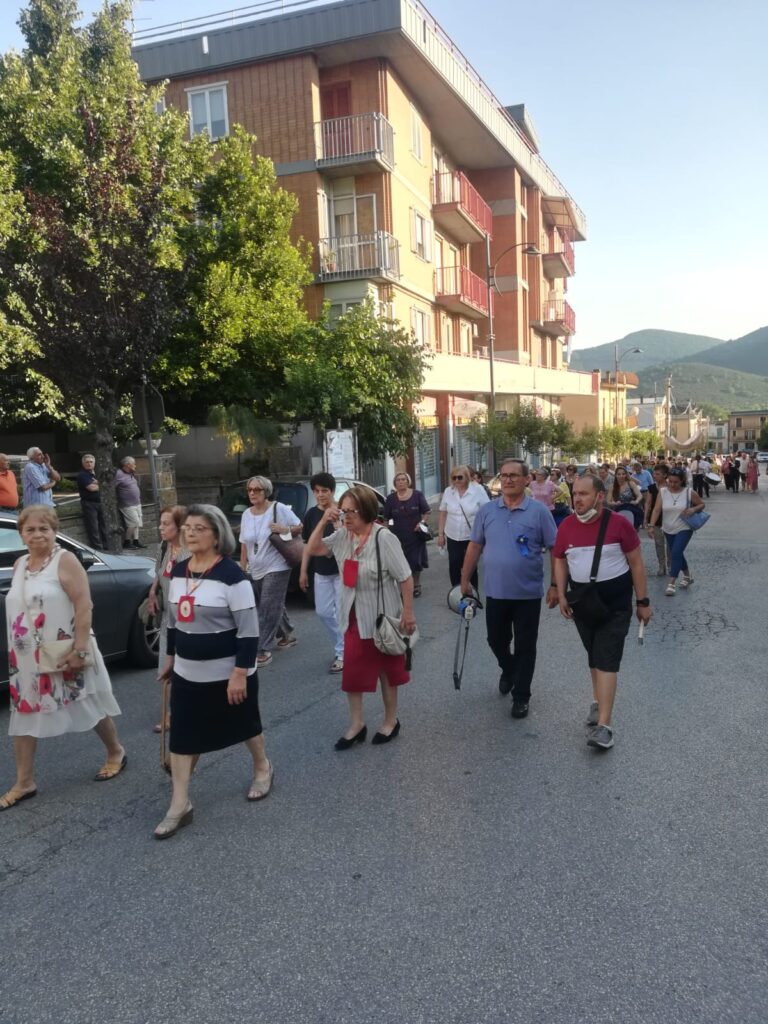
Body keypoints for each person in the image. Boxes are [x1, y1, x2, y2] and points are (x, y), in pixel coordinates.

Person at [155, 504, 272, 839]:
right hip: (188, 673)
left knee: (246, 726)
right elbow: (174, 622)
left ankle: (263, 767)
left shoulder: (234, 576)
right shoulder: (178, 571)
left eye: (199, 528)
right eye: (187, 527)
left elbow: (249, 631)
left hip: (227, 673)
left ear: (218, 535)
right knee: (183, 736)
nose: (190, 533)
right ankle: (180, 804)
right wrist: (171, 658)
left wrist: (239, 673)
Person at [1, 505, 126, 811]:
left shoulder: (65, 560)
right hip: (26, 658)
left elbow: (84, 605)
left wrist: (80, 650)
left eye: (44, 528)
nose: (37, 534)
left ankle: (115, 752)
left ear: (54, 530)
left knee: (87, 702)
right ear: (21, 534)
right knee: (24, 713)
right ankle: (25, 781)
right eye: (30, 529)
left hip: (65, 649)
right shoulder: (19, 565)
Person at [305, 485, 415, 749]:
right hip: (353, 617)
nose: (345, 517)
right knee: (353, 675)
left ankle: (391, 721)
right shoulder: (343, 535)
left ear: (365, 510)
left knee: (388, 673)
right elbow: (312, 548)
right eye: (342, 511)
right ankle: (357, 724)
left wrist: (408, 613)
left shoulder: (383, 538)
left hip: (383, 619)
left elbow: (405, 577)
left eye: (350, 512)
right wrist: (323, 521)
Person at [552, 476, 652, 751]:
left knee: (606, 659)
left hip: (615, 605)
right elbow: (559, 559)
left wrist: (642, 601)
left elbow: (636, 564)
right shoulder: (567, 526)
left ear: (599, 496)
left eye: (584, 494)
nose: (578, 499)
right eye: (575, 494)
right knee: (594, 655)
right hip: (583, 603)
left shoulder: (619, 523)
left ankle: (605, 726)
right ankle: (598, 702)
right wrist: (561, 593)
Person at [460, 459, 557, 719]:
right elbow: (474, 546)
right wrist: (464, 578)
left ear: (527, 480)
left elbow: (556, 550)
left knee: (526, 645)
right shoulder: (487, 511)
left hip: (528, 594)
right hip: (496, 591)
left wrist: (556, 585)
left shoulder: (539, 513)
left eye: (514, 475)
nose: (508, 480)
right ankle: (509, 668)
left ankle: (521, 696)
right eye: (504, 475)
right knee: (495, 639)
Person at [238, 476, 302, 667]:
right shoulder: (246, 515)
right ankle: (288, 633)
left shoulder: (278, 508)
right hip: (256, 567)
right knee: (272, 603)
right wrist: (242, 568)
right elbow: (244, 544)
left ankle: (262, 648)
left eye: (257, 490)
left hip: (278, 565)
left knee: (266, 606)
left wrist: (284, 529)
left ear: (266, 491)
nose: (252, 493)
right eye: (250, 490)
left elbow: (299, 527)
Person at [148, 505, 190, 733]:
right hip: (168, 618)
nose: (161, 528)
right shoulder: (163, 546)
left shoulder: (191, 551)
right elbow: (157, 572)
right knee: (166, 665)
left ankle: (185, 710)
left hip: (188, 618)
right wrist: (153, 592)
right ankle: (168, 714)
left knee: (186, 667)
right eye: (161, 523)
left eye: (166, 524)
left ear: (180, 526)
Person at [299, 473, 344, 673]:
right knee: (323, 612)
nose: (320, 495)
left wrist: (336, 522)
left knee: (343, 613)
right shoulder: (311, 515)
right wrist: (303, 572)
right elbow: (308, 546)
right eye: (316, 491)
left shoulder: (342, 511)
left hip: (342, 571)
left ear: (332, 491)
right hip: (321, 572)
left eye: (324, 491)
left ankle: (342, 652)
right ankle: (344, 645)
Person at [647, 466, 705, 596]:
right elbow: (656, 510)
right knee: (677, 553)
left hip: (684, 527)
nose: (672, 484)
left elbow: (702, 504)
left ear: (682, 481)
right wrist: (651, 525)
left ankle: (671, 582)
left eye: (676, 482)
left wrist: (693, 509)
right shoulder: (663, 492)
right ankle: (688, 576)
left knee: (676, 552)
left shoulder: (689, 492)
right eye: (670, 481)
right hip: (668, 528)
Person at [437, 465, 490, 588]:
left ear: (466, 477)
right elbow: (443, 512)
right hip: (453, 535)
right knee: (454, 564)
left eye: (459, 477)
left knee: (470, 565)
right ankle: (456, 594)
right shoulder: (448, 491)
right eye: (453, 478)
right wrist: (440, 535)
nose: (456, 481)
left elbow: (487, 512)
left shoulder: (478, 490)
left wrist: (485, 534)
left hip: (471, 536)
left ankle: (472, 594)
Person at [383, 471, 431, 598]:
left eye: (403, 479)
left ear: (408, 481)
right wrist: (387, 531)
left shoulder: (417, 495)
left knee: (415, 562)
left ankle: (416, 585)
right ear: (395, 483)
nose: (401, 482)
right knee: (400, 562)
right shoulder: (391, 499)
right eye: (398, 480)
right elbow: (386, 518)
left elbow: (426, 512)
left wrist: (421, 523)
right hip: (398, 536)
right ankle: (403, 587)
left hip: (415, 535)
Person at [76, 453, 109, 549]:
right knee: (93, 527)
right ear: (83, 464)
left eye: (91, 462)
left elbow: (108, 482)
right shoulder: (82, 475)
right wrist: (102, 484)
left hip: (100, 502)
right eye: (87, 462)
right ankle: (98, 549)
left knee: (104, 526)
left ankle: (107, 547)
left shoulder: (95, 474)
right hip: (89, 504)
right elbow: (91, 488)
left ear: (94, 463)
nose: (89, 464)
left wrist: (98, 483)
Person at [643, 463, 669, 576]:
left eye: (657, 474)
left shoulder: (670, 487)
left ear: (665, 475)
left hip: (669, 518)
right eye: (654, 473)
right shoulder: (652, 488)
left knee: (670, 545)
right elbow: (648, 503)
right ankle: (661, 566)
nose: (654, 475)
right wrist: (645, 519)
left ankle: (670, 565)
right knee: (659, 544)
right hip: (656, 518)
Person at [115, 456, 145, 549]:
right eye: (134, 463)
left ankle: (136, 541)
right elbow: (111, 485)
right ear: (127, 464)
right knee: (133, 522)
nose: (135, 465)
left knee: (138, 523)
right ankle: (127, 542)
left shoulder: (130, 473)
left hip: (136, 502)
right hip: (127, 504)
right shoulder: (119, 474)